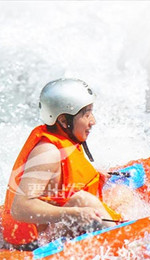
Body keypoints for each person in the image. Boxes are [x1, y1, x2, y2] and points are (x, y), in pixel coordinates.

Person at [1, 78, 121, 250]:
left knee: (121, 193)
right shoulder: (47, 152)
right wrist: (75, 213)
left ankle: (120, 227)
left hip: (48, 228)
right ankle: (124, 243)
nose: (93, 120)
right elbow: (20, 208)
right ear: (64, 120)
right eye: (86, 114)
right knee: (83, 201)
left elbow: (58, 185)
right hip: (33, 245)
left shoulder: (65, 139)